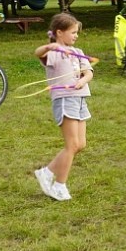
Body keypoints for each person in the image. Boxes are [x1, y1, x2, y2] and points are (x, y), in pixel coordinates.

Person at [34, 12, 94, 201]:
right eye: (73, 32)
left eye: (77, 32)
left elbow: (88, 72)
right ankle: (59, 185)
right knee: (71, 145)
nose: (76, 35)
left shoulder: (78, 51)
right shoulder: (54, 53)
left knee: (80, 144)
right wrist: (49, 46)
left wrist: (83, 80)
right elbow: (38, 53)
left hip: (80, 98)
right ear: (59, 32)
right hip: (64, 99)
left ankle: (47, 171)